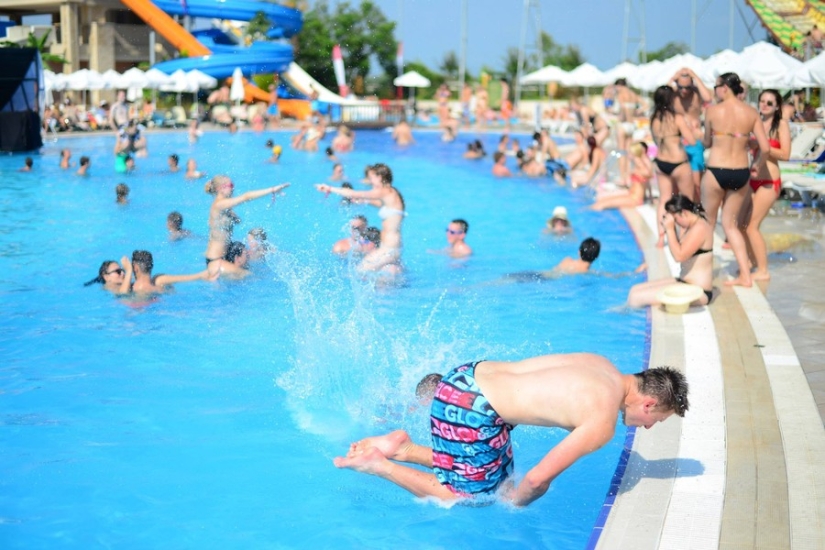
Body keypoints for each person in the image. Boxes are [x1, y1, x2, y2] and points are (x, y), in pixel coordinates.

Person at [334, 353, 688, 505]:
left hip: (466, 376)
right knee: (476, 497)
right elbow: (536, 480)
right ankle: (380, 464)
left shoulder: (602, 365)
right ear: (648, 404)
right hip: (472, 406)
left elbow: (534, 390)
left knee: (495, 473)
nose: (650, 427)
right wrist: (515, 506)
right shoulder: (603, 420)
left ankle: (403, 448)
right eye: (658, 419)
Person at [702, 73, 770, 288]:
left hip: (716, 170)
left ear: (724, 88)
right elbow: (765, 148)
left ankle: (702, 273)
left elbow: (706, 143)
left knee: (708, 223)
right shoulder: (751, 113)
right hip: (741, 172)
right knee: (731, 226)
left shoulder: (712, 111)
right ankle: (745, 276)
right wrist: (757, 164)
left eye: (716, 87)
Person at [627, 194, 714, 307]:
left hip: (698, 291)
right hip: (685, 283)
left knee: (636, 298)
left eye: (676, 219)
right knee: (634, 290)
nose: (676, 223)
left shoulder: (700, 228)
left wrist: (670, 229)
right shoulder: (691, 225)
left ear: (684, 213)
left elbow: (679, 256)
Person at [315, 163, 405, 273]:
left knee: (359, 272)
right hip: (392, 248)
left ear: (380, 177)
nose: (371, 182)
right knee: (380, 281)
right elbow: (379, 204)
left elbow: (355, 193)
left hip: (388, 249)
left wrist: (330, 188)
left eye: (372, 178)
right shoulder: (392, 194)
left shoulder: (385, 190)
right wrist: (364, 201)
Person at [741, 90, 791, 282]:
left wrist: (765, 147)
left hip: (770, 181)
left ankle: (763, 270)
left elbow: (786, 154)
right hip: (753, 178)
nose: (764, 105)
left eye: (769, 103)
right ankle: (753, 263)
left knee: (752, 226)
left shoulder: (781, 125)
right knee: (741, 225)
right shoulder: (756, 123)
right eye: (762, 101)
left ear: (777, 106)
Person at [204, 176, 289, 267]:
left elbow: (237, 221)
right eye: (230, 185)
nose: (233, 188)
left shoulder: (225, 207)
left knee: (258, 255)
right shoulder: (219, 204)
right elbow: (246, 197)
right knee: (250, 277)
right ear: (219, 189)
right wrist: (272, 190)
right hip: (216, 260)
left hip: (228, 255)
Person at [671, 68, 712, 199]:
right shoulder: (673, 95)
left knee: (696, 182)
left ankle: (697, 207)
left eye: (687, 87)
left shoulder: (696, 94)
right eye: (681, 87)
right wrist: (673, 78)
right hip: (679, 141)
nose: (684, 90)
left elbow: (708, 97)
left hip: (695, 141)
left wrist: (695, 76)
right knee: (677, 180)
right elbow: (661, 94)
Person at [591, 142, 652, 211]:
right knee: (600, 201)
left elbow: (648, 174)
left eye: (629, 152)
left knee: (601, 205)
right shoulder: (635, 163)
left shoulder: (639, 163)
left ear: (634, 154)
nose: (627, 153)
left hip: (635, 199)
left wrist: (636, 170)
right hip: (630, 193)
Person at [121, 250, 212, 295]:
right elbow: (179, 279)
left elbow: (122, 295)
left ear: (136, 268)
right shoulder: (158, 281)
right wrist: (199, 275)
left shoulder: (133, 288)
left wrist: (128, 271)